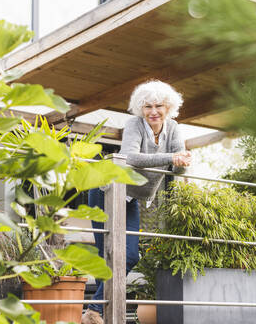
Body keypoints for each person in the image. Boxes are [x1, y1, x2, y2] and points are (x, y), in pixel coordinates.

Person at [81, 80, 192, 324]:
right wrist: (172, 156)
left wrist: (181, 162)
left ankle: (93, 311)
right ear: (140, 109)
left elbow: (176, 169)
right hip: (105, 189)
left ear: (169, 107)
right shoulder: (134, 125)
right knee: (105, 254)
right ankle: (99, 313)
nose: (153, 111)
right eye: (147, 106)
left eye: (159, 106)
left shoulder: (173, 128)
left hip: (131, 197)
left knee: (130, 255)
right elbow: (130, 157)